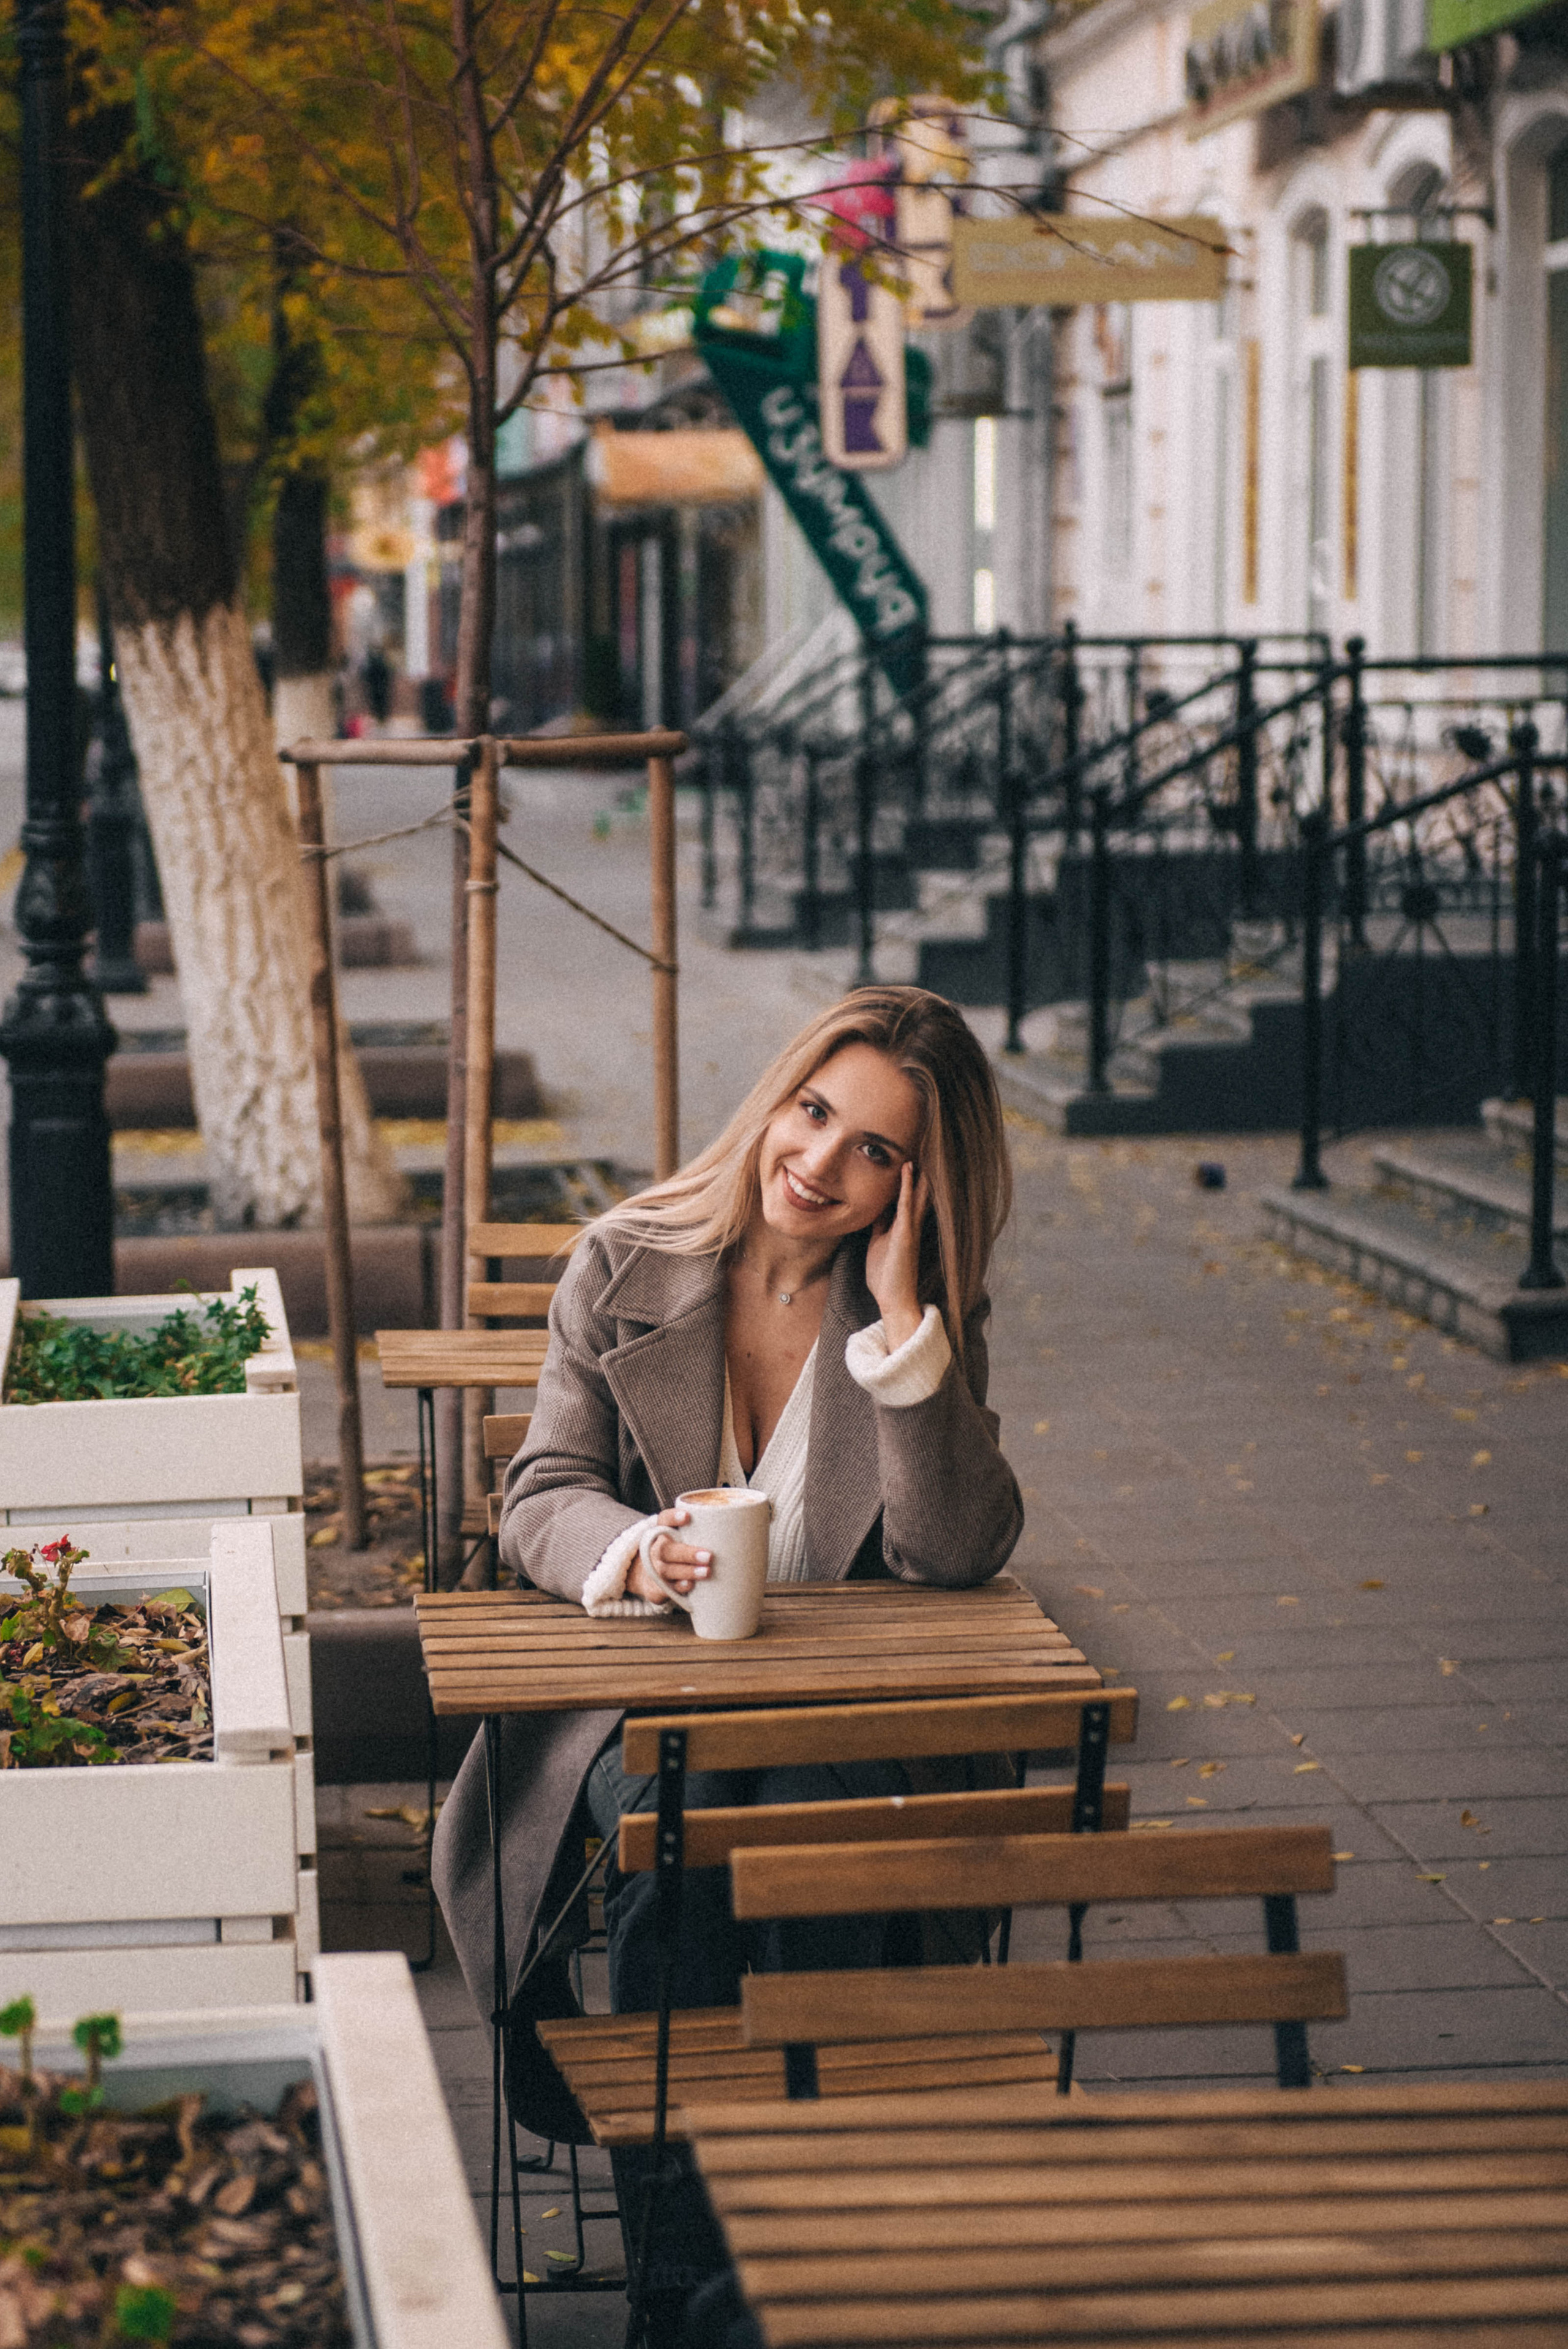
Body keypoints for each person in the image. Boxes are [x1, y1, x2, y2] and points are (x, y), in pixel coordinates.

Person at [432, 985, 1023, 2339]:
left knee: (748, 1846)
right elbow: (539, 1493)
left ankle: (711, 2293)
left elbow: (954, 1552)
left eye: (875, 1150)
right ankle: (729, 2287)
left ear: (917, 1186)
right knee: (692, 1838)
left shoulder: (918, 1316)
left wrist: (898, 1337)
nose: (818, 1165)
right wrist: (635, 1550)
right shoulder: (625, 1259)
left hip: (840, 1718)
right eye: (814, 1113)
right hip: (640, 1710)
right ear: (777, 1095)